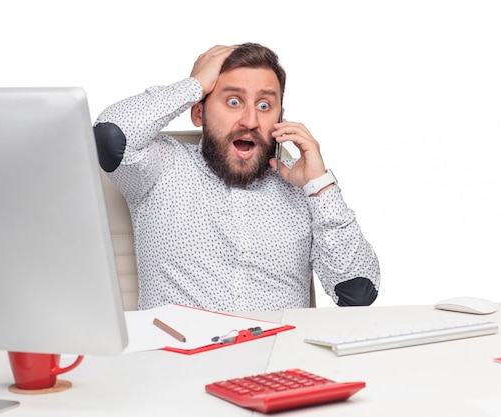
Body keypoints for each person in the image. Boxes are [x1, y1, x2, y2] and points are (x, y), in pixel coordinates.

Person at [94, 43, 380, 311]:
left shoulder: (303, 186)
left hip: (277, 359)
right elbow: (111, 134)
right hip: (183, 359)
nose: (251, 120)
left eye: (265, 106)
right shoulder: (160, 167)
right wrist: (193, 86)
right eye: (233, 101)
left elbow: (358, 292)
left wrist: (319, 186)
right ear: (198, 112)